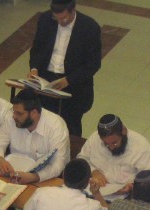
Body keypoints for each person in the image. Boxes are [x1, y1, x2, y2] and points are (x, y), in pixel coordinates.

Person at [29, 0, 101, 137]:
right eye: (56, 18)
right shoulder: (45, 19)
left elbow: (93, 64)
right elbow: (37, 49)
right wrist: (34, 69)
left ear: (73, 10)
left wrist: (69, 80)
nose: (60, 22)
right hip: (47, 79)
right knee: (43, 122)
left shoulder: (90, 27)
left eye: (64, 18)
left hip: (73, 83)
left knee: (70, 127)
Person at [0, 89, 69, 184]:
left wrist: (33, 177)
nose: (14, 116)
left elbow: (57, 165)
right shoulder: (12, 119)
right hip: (12, 176)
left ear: (34, 113)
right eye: (14, 111)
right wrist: (0, 160)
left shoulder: (56, 126)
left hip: (43, 180)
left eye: (19, 113)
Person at [77, 114, 150, 201]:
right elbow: (81, 159)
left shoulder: (141, 146)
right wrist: (93, 171)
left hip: (124, 198)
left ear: (124, 131)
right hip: (90, 192)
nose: (111, 148)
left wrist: (132, 187)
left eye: (114, 143)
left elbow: (148, 179)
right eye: (106, 144)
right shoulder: (94, 138)